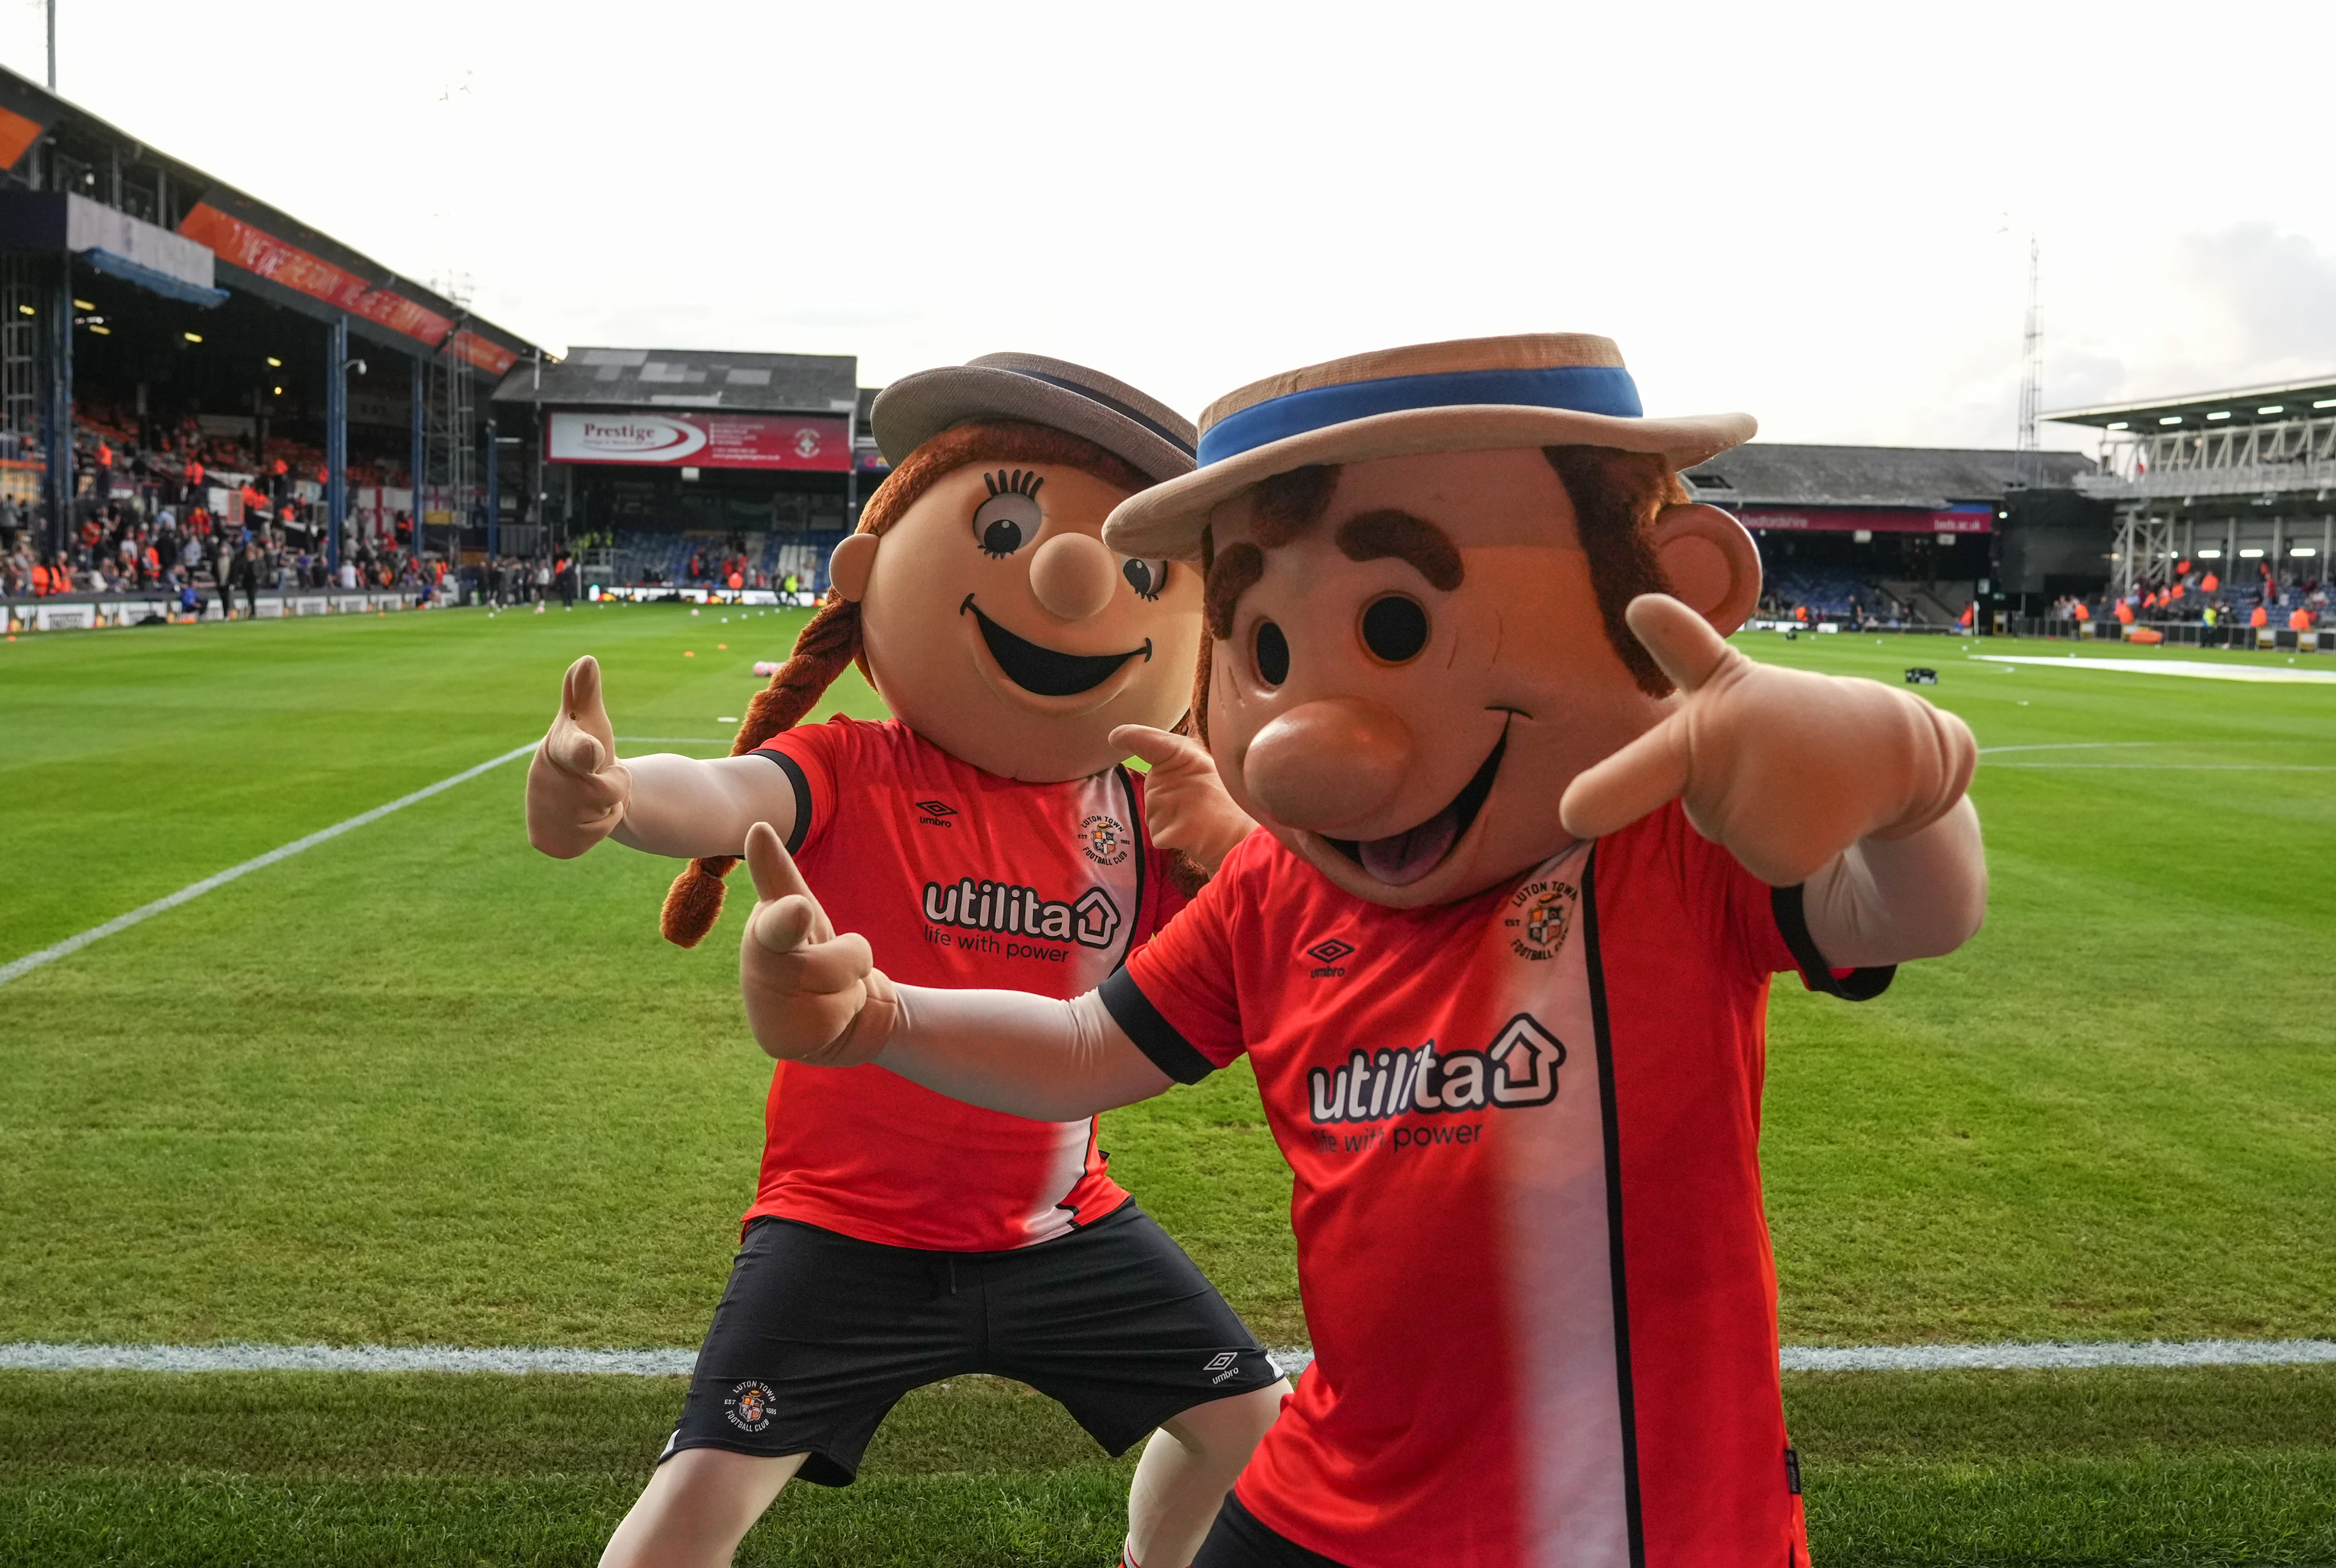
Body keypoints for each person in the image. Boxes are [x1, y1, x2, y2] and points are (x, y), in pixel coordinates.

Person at [735, 335, 1990, 1567]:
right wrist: (882, 1018)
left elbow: (1909, 914)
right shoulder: (1276, 886)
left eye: (1391, 626)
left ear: (1672, 580)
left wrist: (1910, 776)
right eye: (1265, 654)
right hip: (1330, 1487)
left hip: (1629, 1517)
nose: (1299, 739)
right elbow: (1079, 1049)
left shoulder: (1657, 842)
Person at [526, 356, 1289, 1568]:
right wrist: (618, 796)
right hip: (842, 1233)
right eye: (1004, 531)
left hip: (1055, 1227)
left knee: (1254, 1435)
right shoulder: (857, 764)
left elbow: (1248, 984)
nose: (1074, 579)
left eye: (1142, 573)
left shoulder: (1144, 818)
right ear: (875, 577)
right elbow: (727, 794)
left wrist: (1238, 852)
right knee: (691, 1513)